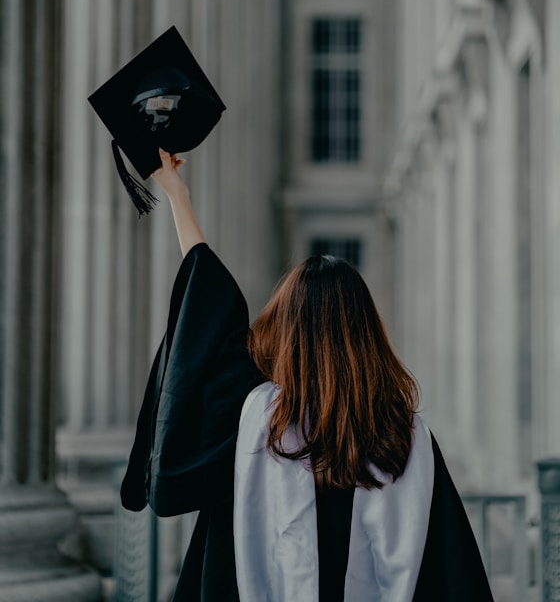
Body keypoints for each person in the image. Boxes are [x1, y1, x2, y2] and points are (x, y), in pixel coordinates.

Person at [121, 149, 494, 602]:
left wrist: (178, 195)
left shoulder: (254, 425)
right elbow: (454, 577)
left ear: (286, 332)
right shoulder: (406, 440)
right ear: (367, 335)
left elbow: (209, 313)